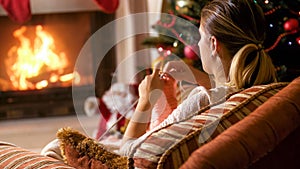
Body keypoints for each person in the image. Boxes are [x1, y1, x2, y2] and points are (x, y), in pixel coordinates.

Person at [41, 0, 277, 162]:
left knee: (53, 149)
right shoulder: (264, 88)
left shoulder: (201, 102)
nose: (198, 44)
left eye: (201, 37)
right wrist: (194, 81)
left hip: (130, 156)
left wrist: (146, 100)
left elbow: (131, 152)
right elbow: (223, 92)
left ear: (214, 45)